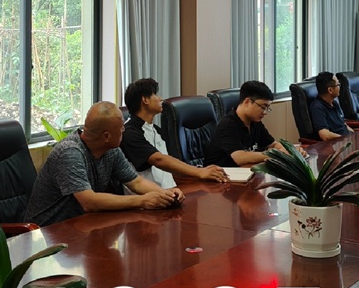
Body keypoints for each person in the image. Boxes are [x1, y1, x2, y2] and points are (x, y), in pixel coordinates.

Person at [24, 101, 183, 227]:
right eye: (121, 128)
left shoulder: (111, 150)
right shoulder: (70, 153)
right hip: (47, 234)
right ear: (106, 136)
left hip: (82, 227)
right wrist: (143, 201)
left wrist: (166, 195)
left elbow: (136, 182)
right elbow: (89, 202)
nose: (124, 130)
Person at [120, 78, 228, 185]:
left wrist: (201, 169)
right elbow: (158, 160)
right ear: (145, 100)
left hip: (170, 190)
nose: (160, 99)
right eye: (155, 95)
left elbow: (170, 164)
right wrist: (199, 172)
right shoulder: (130, 132)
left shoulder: (155, 130)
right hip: (148, 194)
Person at [205, 80, 280, 167]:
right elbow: (240, 157)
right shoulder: (228, 125)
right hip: (220, 173)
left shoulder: (255, 122)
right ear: (247, 102)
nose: (265, 112)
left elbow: (273, 144)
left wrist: (286, 152)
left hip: (244, 171)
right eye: (263, 107)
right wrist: (274, 155)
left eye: (267, 108)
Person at [309, 72, 350, 141]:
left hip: (348, 141)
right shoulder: (318, 108)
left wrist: (354, 136)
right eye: (338, 85)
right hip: (337, 144)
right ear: (330, 90)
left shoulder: (334, 103)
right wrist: (345, 139)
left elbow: (344, 125)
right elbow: (324, 135)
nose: (339, 87)